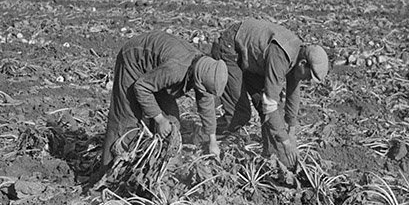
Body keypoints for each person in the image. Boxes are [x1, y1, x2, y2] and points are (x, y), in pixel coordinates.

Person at [211, 18, 330, 169]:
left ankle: (272, 162)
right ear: (303, 64)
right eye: (309, 76)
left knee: (273, 113)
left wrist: (291, 130)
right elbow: (270, 104)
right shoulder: (281, 56)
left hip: (252, 59)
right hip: (230, 49)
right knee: (239, 114)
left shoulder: (298, 57)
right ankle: (203, 140)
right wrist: (286, 142)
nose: (308, 80)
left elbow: (293, 93)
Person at [101, 30, 229, 169]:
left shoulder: (205, 69)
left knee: (172, 123)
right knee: (126, 122)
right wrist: (160, 120)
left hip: (158, 70)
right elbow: (141, 87)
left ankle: (163, 168)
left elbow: (206, 106)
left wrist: (212, 141)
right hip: (134, 60)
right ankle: (107, 172)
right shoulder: (176, 70)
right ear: (198, 81)